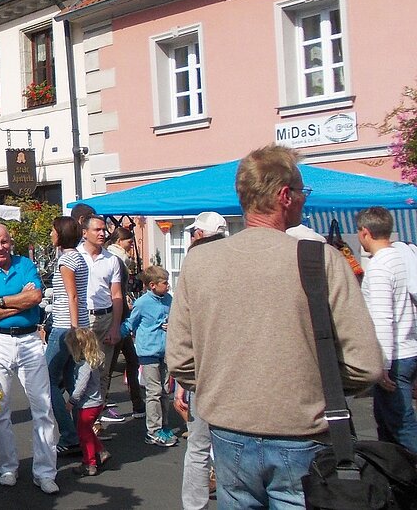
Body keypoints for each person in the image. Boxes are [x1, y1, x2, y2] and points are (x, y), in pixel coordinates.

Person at [167, 144, 382, 508]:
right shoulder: (320, 258)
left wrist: (226, 389)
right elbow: (365, 364)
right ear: (285, 196)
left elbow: (181, 360)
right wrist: (314, 386)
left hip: (228, 431)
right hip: (303, 433)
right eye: (302, 193)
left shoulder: (200, 262)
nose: (304, 200)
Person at [0, 223, 58, 494]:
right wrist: (20, 300)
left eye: (4, 241)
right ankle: (8, 467)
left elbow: (36, 297)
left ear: (11, 242)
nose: (0, 247)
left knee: (43, 407)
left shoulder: (26, 265)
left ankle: (45, 472)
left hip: (30, 340)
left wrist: (0, 302)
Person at [356, 206, 417, 453]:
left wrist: (382, 365)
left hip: (396, 356)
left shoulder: (380, 266)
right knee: (387, 424)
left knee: (401, 425)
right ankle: (396, 479)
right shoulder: (400, 256)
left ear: (365, 232)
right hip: (407, 348)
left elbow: (383, 317)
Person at [177, 215, 226, 510]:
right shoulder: (236, 261)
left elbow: (186, 327)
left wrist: (182, 380)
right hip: (229, 365)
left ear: (198, 234)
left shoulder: (195, 264)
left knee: (198, 444)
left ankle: (195, 506)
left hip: (205, 368)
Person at [75, 210, 127, 426]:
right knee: (82, 372)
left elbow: (116, 294)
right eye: (97, 229)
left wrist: (116, 326)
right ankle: (81, 422)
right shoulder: (74, 256)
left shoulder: (111, 260)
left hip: (105, 318)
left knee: (103, 372)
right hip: (83, 320)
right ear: (84, 232)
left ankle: (95, 421)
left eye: (104, 229)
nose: (102, 233)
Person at [45, 215, 87, 457]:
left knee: (47, 380)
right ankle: (82, 432)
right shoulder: (77, 257)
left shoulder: (67, 260)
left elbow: (72, 295)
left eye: (53, 231)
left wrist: (72, 328)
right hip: (76, 324)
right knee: (71, 379)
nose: (51, 235)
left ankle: (69, 434)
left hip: (64, 327)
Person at [121, 265, 176, 447]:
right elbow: (130, 323)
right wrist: (115, 333)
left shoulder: (169, 300)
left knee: (165, 391)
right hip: (149, 351)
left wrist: (173, 326)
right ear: (152, 285)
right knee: (154, 392)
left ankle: (164, 426)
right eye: (164, 283)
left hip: (166, 351)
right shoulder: (142, 303)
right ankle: (153, 430)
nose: (168, 286)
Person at [103, 226, 147, 422]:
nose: (131, 246)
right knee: (113, 364)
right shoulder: (116, 260)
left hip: (121, 315)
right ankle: (102, 405)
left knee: (130, 359)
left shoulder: (118, 259)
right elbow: (115, 291)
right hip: (118, 317)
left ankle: (138, 404)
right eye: (129, 242)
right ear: (119, 242)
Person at [65, 327, 110, 477]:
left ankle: (89, 463)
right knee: (88, 431)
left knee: (83, 435)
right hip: (96, 403)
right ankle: (101, 451)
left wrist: (71, 401)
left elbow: (80, 387)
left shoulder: (84, 367)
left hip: (87, 405)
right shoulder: (93, 362)